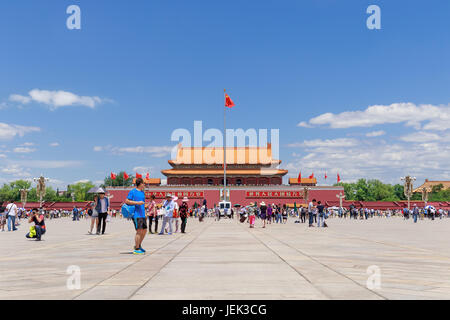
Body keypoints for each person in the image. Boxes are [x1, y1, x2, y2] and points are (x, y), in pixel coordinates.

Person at [125, 178, 148, 255]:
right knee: (139, 231)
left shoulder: (142, 192)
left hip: (142, 214)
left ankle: (138, 245)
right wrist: (137, 203)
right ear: (140, 183)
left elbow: (143, 204)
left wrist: (145, 213)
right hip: (136, 214)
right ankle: (137, 249)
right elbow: (127, 201)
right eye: (143, 183)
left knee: (144, 230)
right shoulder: (133, 191)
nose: (144, 185)